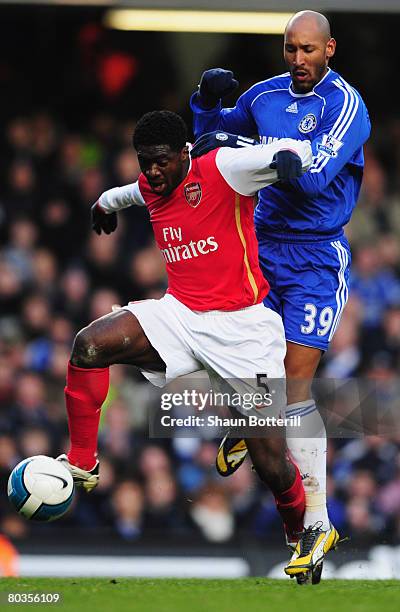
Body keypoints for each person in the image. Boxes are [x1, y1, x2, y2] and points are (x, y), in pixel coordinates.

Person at [57, 110, 314, 576]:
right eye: (145, 162)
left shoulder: (222, 169)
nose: (152, 172)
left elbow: (289, 152)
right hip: (180, 314)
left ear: (183, 154)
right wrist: (102, 206)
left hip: (244, 332)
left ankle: (302, 535)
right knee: (88, 346)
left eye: (160, 162)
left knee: (271, 463)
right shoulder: (152, 185)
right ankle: (82, 462)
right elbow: (124, 193)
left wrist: (290, 158)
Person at [190, 9, 371, 581]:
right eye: (290, 49)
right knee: (233, 356)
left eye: (308, 50)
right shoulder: (264, 96)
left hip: (317, 258)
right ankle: (250, 421)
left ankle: (319, 522)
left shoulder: (348, 106)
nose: (297, 60)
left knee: (293, 390)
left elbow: (313, 175)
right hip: (260, 248)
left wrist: (266, 155)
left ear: (330, 50)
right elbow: (211, 152)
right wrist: (206, 107)